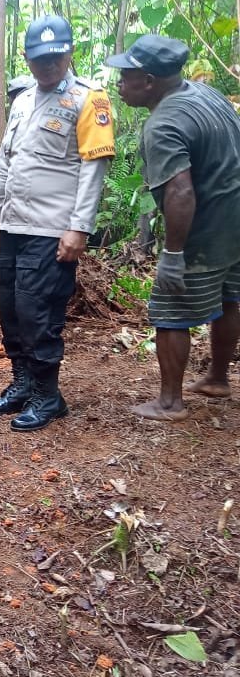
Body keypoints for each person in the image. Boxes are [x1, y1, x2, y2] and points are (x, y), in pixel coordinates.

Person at [0, 15, 116, 431]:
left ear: (70, 53)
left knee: (37, 313)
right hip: (14, 225)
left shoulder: (90, 99)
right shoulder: (22, 100)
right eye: (39, 58)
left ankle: (48, 396)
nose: (48, 65)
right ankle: (23, 383)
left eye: (56, 56)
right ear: (26, 58)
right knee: (11, 309)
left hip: (53, 229)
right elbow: (7, 165)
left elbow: (94, 169)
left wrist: (79, 227)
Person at [108, 35, 240, 420]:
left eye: (126, 76)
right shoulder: (205, 93)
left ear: (149, 81)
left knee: (169, 309)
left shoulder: (164, 123)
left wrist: (173, 255)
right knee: (229, 297)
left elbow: (180, 191)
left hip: (207, 228)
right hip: (235, 222)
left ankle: (169, 402)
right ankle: (217, 378)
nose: (119, 83)